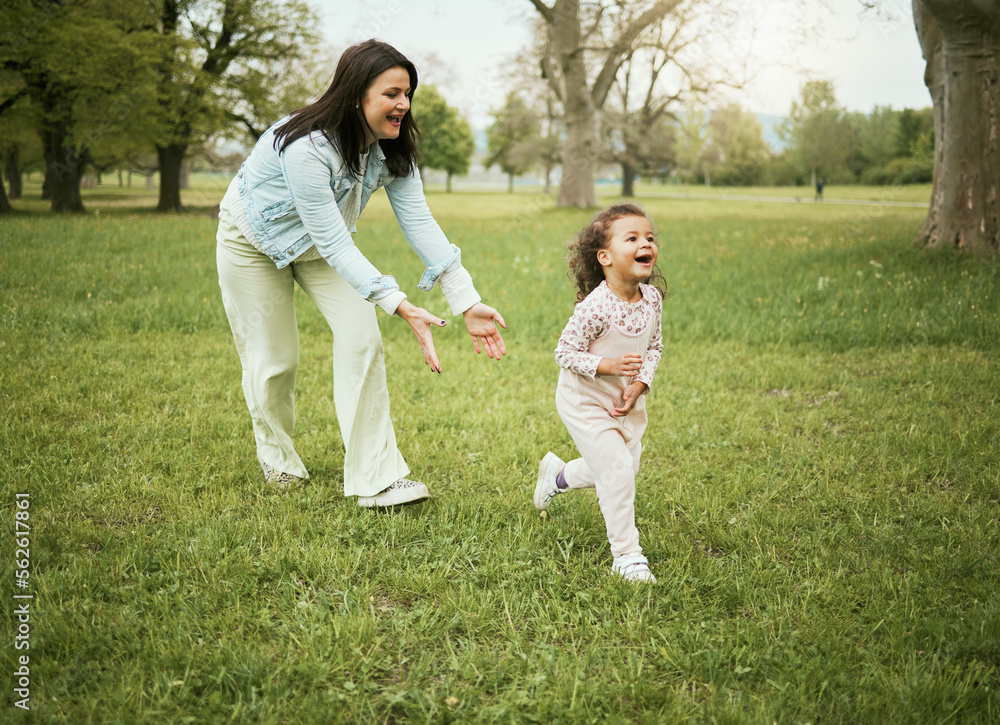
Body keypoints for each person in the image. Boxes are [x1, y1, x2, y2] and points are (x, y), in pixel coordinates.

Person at [216, 40, 506, 507]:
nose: (403, 104)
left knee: (362, 340)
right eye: (392, 93)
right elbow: (333, 239)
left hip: (322, 251)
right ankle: (278, 458)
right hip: (252, 243)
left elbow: (419, 222)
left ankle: (376, 478)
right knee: (275, 360)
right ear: (356, 95)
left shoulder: (394, 150)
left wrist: (466, 300)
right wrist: (399, 303)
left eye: (407, 93)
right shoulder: (305, 146)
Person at [533, 203, 666, 583]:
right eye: (633, 238)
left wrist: (641, 383)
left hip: (624, 401)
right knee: (619, 472)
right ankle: (627, 556)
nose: (646, 243)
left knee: (619, 467)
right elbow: (564, 353)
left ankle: (557, 477)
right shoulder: (596, 307)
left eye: (649, 238)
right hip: (584, 401)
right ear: (605, 257)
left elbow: (653, 347)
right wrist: (606, 367)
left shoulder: (651, 299)